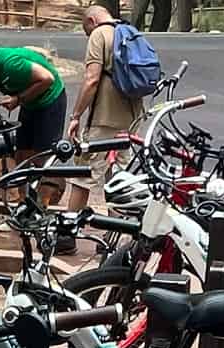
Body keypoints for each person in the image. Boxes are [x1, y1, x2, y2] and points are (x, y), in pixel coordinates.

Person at [66, 6, 148, 212]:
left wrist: (76, 116)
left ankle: (68, 227)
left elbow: (92, 79)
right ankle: (116, 228)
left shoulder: (99, 34)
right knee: (121, 180)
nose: (88, 35)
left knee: (84, 175)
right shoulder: (131, 32)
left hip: (104, 118)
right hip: (133, 117)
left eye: (87, 31)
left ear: (92, 21)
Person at [0, 45, 66, 157]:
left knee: (41, 156)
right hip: (29, 102)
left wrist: (18, 99)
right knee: (21, 153)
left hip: (50, 99)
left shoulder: (12, 66)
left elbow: (48, 79)